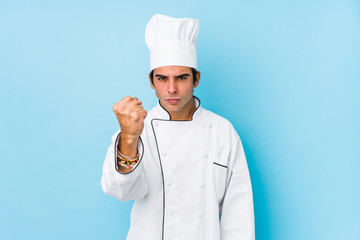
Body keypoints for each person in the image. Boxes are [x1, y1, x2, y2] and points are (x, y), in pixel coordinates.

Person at [101, 14, 255, 240]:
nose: (171, 89)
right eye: (162, 78)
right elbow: (120, 191)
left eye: (181, 78)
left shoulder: (223, 132)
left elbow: (238, 215)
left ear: (196, 79)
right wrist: (129, 137)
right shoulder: (134, 130)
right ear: (152, 81)